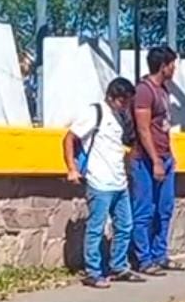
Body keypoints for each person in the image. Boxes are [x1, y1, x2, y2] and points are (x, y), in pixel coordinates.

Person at [62, 77, 145, 288]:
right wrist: (72, 168)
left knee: (125, 225)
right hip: (99, 181)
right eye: (122, 101)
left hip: (119, 182)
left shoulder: (120, 117)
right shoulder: (95, 112)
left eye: (128, 101)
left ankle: (118, 265)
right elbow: (69, 138)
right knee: (96, 228)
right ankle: (93, 271)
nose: (125, 105)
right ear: (111, 97)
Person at [130, 45, 183, 275]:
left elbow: (163, 127)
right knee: (144, 210)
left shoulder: (164, 90)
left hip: (165, 156)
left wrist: (168, 156)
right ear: (163, 66)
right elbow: (143, 129)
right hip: (145, 160)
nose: (174, 69)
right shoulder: (144, 91)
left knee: (165, 208)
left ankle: (160, 253)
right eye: (172, 64)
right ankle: (143, 258)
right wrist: (156, 161)